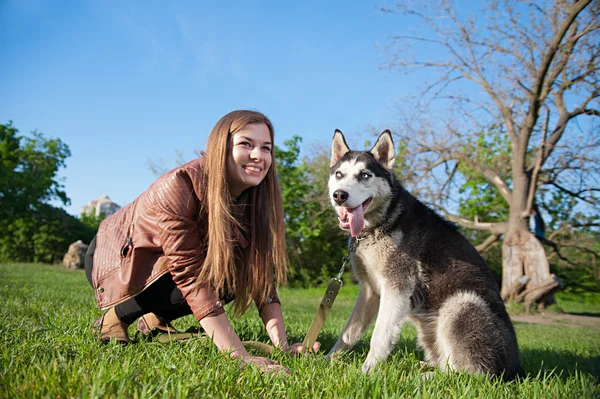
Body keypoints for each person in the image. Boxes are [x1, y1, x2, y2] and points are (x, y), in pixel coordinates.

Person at [85, 110, 318, 373]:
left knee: (235, 273)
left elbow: (260, 277)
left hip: (171, 266)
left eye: (266, 148)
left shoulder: (254, 198)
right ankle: (115, 317)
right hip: (120, 261)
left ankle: (154, 320)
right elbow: (189, 273)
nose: (258, 155)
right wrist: (239, 356)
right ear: (222, 146)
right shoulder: (180, 183)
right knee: (211, 271)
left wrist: (282, 345)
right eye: (246, 144)